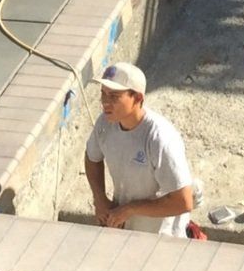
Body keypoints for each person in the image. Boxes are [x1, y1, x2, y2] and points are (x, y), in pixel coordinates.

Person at [83, 63, 197, 238]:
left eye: (114, 96)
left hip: (161, 237)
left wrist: (130, 209)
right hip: (125, 230)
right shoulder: (105, 124)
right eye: (103, 94)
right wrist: (100, 199)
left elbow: (183, 202)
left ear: (136, 98)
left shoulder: (159, 138)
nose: (105, 102)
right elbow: (92, 158)